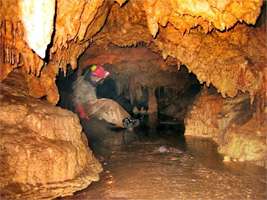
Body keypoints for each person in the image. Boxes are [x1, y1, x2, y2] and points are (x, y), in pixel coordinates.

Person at [72, 64, 139, 129]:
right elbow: (76, 98)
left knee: (105, 113)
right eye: (98, 77)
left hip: (92, 106)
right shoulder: (82, 83)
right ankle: (127, 122)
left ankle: (124, 123)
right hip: (87, 106)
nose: (99, 80)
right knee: (110, 104)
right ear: (91, 75)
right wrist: (81, 112)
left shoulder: (91, 83)